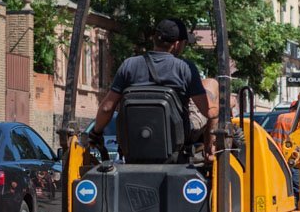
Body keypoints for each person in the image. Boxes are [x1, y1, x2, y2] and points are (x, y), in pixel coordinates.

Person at [93, 18, 216, 159]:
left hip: (135, 140)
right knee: (212, 85)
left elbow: (107, 108)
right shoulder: (185, 68)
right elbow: (208, 111)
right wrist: (221, 107)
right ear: (177, 44)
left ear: (153, 39)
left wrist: (96, 133)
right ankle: (210, 150)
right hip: (176, 138)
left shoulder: (128, 65)